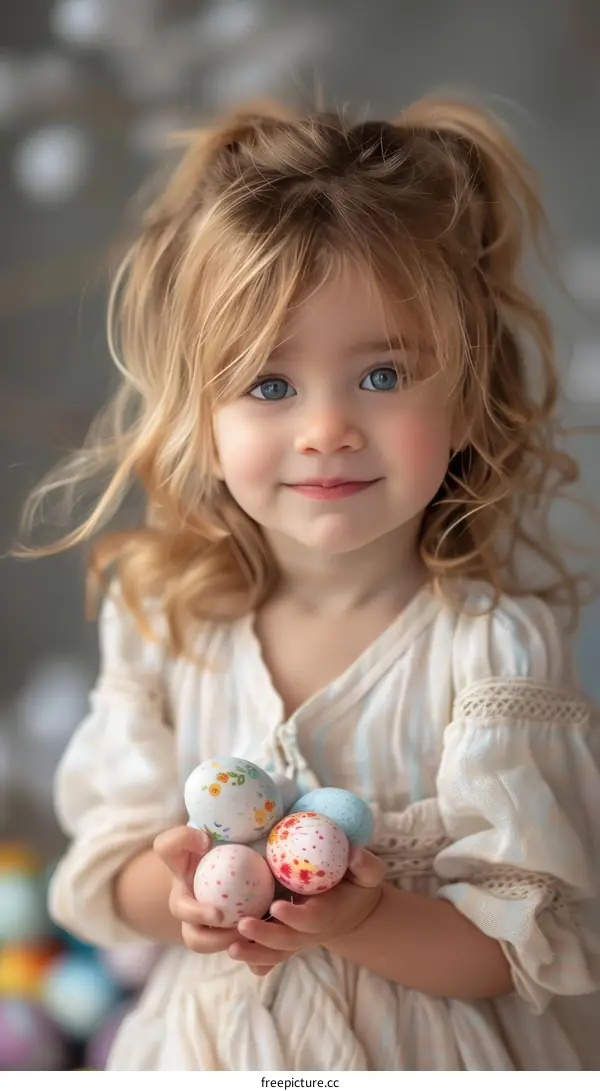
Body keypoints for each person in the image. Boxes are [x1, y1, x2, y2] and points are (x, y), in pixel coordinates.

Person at [19, 95, 600, 1070]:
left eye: (380, 375)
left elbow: (524, 948)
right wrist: (172, 893)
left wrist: (363, 914)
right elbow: (98, 870)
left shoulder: (490, 650)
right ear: (201, 418)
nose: (325, 427)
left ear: (464, 399)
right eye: (270, 384)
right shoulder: (167, 625)